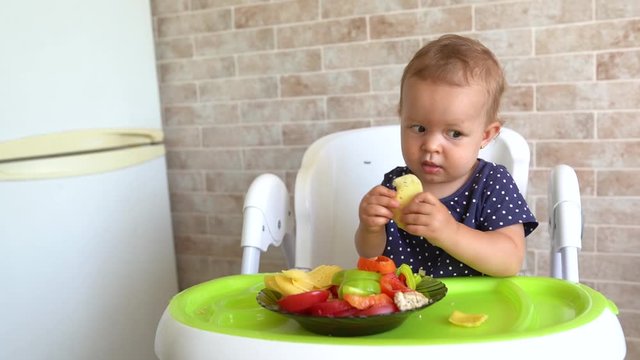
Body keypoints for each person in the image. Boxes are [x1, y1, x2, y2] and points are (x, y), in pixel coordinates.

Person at [355, 34, 538, 278]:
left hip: (477, 309)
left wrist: (449, 232)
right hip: (407, 305)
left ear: (485, 135)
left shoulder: (492, 183)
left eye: (454, 133)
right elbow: (370, 254)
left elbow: (510, 260)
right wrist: (369, 228)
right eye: (419, 128)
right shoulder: (394, 184)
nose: (431, 146)